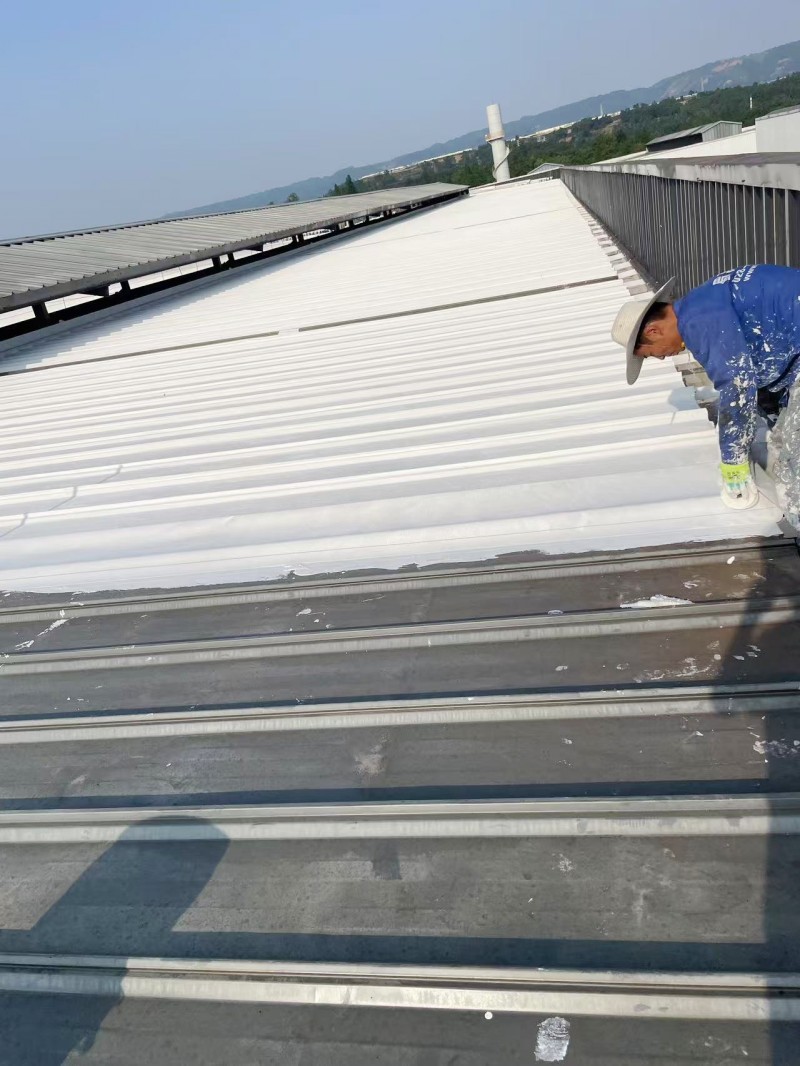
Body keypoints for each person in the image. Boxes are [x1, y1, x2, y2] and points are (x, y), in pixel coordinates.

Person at [611, 264, 800, 518]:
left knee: (795, 465)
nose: (661, 358)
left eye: (650, 354)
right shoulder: (701, 304)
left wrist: (733, 461)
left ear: (653, 331)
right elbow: (761, 366)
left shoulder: (699, 322)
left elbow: (737, 385)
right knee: (784, 435)